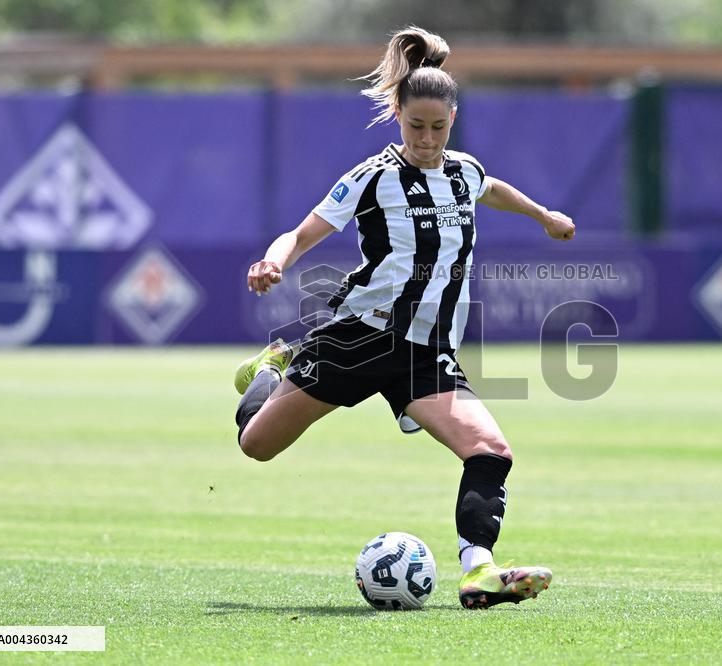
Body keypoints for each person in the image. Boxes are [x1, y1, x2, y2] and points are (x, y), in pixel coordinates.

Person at [232, 26, 575, 609]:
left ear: (453, 118)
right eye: (416, 126)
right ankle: (271, 370)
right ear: (397, 114)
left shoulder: (462, 170)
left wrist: (543, 215)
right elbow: (304, 230)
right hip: (358, 340)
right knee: (256, 444)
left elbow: (490, 188)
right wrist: (274, 261)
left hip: (424, 352)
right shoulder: (371, 177)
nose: (426, 138)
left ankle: (478, 571)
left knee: (491, 451)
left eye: (438, 127)